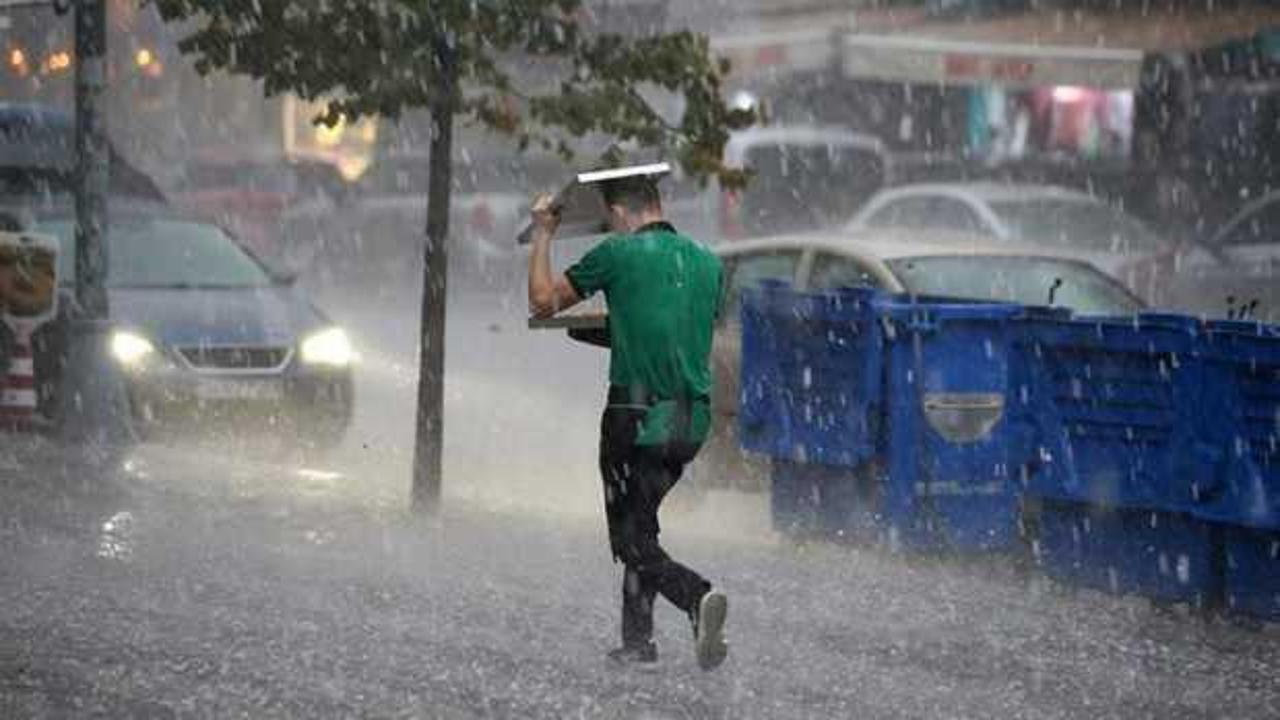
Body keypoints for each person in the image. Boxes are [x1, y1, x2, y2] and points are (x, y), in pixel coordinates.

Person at [527, 173, 729, 670]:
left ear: (618, 213)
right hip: (690, 422)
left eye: (608, 221)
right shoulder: (708, 263)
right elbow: (677, 330)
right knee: (643, 525)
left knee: (629, 539)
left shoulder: (617, 255)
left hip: (634, 416)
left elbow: (542, 300)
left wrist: (543, 234)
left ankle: (695, 597)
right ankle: (637, 642)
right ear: (657, 202)